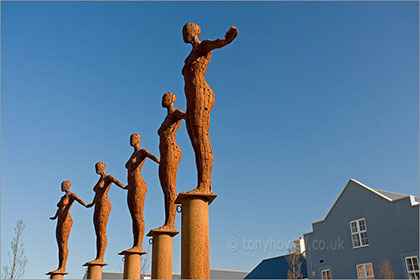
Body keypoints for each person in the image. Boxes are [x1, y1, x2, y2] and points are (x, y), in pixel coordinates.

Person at [182, 23, 238, 193]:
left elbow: (217, 43)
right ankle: (200, 182)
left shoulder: (203, 46)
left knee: (202, 138)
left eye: (186, 31)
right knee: (194, 141)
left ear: (194, 32)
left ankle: (205, 184)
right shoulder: (191, 53)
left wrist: (228, 39)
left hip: (201, 94)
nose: (184, 35)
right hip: (191, 98)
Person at [124, 133, 160, 252]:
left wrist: (163, 162)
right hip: (131, 186)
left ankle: (139, 244)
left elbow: (154, 157)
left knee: (138, 214)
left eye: (134, 138)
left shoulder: (142, 152)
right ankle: (135, 243)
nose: (132, 140)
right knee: (133, 216)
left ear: (139, 139)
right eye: (131, 138)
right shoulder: (133, 154)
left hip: (139, 184)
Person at [156, 92, 185, 231]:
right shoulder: (167, 116)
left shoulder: (175, 113)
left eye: (166, 98)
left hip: (171, 150)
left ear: (172, 99)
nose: (163, 100)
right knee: (165, 188)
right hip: (164, 153)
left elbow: (186, 116)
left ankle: (170, 223)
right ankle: (167, 220)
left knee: (170, 187)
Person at [86, 161, 125, 263]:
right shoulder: (100, 180)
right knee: (97, 232)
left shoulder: (108, 177)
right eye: (96, 167)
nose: (97, 169)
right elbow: (97, 194)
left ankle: (101, 257)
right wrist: (92, 203)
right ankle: (97, 256)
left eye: (98, 167)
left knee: (102, 231)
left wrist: (125, 187)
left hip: (104, 204)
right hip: (97, 205)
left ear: (103, 167)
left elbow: (116, 181)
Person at [49, 180, 88, 273]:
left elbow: (79, 200)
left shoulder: (71, 195)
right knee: (59, 244)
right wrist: (54, 217)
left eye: (62, 185)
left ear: (67, 186)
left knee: (63, 243)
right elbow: (59, 209)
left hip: (66, 220)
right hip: (60, 220)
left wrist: (87, 205)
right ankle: (59, 266)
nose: (61, 187)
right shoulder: (63, 197)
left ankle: (63, 266)